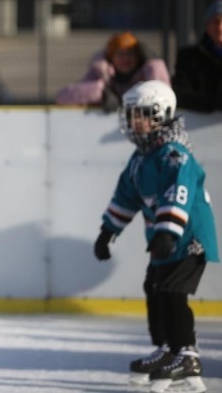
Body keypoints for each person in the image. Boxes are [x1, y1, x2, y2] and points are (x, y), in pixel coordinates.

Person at [92, 80, 217, 392]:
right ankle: (168, 347)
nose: (135, 121)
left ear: (162, 114)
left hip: (188, 238)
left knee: (173, 292)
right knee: (154, 287)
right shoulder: (141, 159)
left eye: (142, 114)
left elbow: (180, 195)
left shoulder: (174, 155)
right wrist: (108, 231)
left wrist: (167, 232)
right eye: (131, 115)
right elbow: (126, 196)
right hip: (165, 240)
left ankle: (187, 353)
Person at [55, 31, 170, 112]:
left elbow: (165, 94)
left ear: (138, 56)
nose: (125, 59)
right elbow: (62, 97)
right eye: (120, 54)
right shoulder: (101, 73)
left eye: (130, 54)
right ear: (111, 58)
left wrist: (154, 63)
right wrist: (101, 93)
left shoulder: (147, 73)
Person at [171, 0, 222, 112]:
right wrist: (215, 102)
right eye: (216, 21)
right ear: (207, 26)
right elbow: (179, 94)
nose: (220, 28)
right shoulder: (188, 57)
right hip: (196, 126)